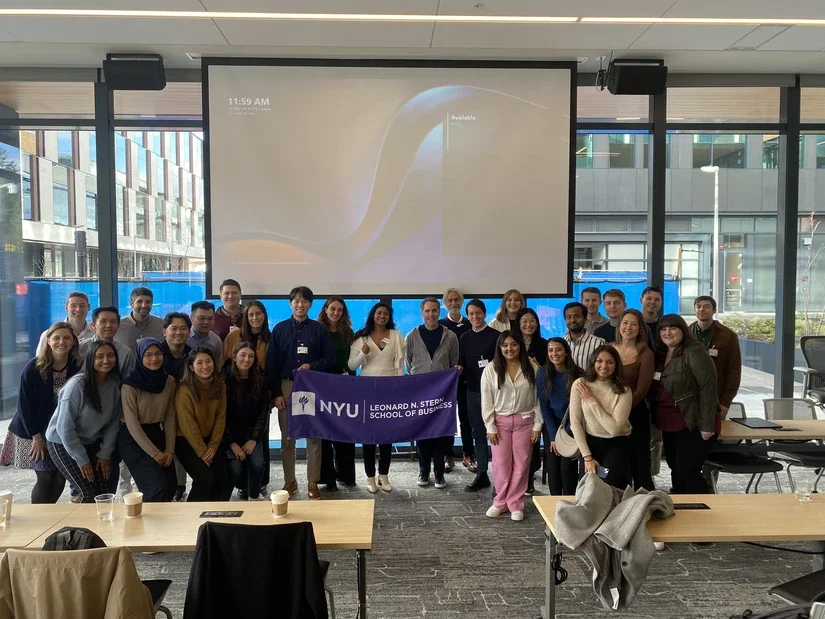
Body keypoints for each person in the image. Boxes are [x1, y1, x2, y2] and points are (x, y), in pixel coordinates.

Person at [266, 286, 335, 500]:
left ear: (310, 304)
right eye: (296, 301)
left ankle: (313, 481)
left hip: (312, 386)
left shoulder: (319, 329)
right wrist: (276, 393)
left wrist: (311, 366)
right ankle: (290, 481)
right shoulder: (279, 329)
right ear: (290, 304)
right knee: (289, 437)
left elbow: (330, 358)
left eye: (304, 301)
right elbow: (271, 364)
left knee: (314, 436)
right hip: (287, 386)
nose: (300, 304)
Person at [8, 322, 82, 503]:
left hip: (58, 431)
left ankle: (48, 516)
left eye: (66, 338)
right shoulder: (34, 367)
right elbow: (24, 406)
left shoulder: (76, 366)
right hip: (32, 431)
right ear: (48, 341)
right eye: (56, 338)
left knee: (59, 480)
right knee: (46, 477)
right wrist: (37, 437)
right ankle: (38, 517)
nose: (61, 342)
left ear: (73, 341)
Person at [45, 340, 122, 503]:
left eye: (110, 355)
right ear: (90, 360)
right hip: (62, 442)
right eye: (99, 357)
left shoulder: (114, 383)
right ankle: (79, 529)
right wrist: (82, 459)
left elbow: (113, 422)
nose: (106, 361)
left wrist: (105, 453)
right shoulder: (76, 385)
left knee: (105, 494)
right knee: (87, 493)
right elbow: (64, 428)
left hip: (91, 441)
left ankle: (101, 528)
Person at [651, 314, 720, 495]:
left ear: (683, 330)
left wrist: (707, 426)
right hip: (669, 421)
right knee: (675, 468)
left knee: (687, 469)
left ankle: (702, 511)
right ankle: (681, 507)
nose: (668, 333)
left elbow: (708, 388)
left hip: (692, 421)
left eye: (673, 328)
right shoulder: (663, 353)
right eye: (664, 329)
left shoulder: (694, 351)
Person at [481, 330, 542, 522]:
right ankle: (500, 502)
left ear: (520, 346)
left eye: (513, 344)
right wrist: (490, 426)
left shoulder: (532, 367)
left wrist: (537, 425)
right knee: (501, 465)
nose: (509, 349)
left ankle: (516, 503)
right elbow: (486, 400)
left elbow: (539, 398)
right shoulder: (491, 369)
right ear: (500, 347)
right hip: (500, 423)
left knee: (522, 465)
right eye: (505, 345)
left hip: (526, 422)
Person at [349, 302, 405, 493]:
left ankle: (384, 475)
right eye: (379, 313)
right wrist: (362, 355)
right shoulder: (361, 338)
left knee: (386, 436)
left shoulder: (396, 336)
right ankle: (370, 477)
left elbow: (399, 365)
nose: (382, 316)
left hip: (389, 390)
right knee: (368, 436)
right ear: (373, 314)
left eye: (386, 313)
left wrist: (399, 388)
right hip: (367, 389)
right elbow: (351, 366)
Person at [221, 299, 272, 498]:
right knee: (234, 467)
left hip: (257, 407)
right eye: (250, 314)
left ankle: (255, 489)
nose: (246, 360)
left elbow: (262, 414)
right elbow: (222, 416)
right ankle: (240, 487)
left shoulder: (270, 339)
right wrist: (232, 442)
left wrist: (253, 439)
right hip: (232, 428)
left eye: (258, 313)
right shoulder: (226, 380)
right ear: (235, 356)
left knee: (258, 459)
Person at [406, 297, 459, 489]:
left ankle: (439, 474)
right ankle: (423, 471)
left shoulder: (450, 336)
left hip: (442, 393)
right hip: (420, 393)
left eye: (434, 311)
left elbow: (453, 362)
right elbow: (408, 363)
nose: (431, 314)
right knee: (422, 433)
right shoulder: (412, 336)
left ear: (439, 311)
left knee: (440, 433)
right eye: (427, 311)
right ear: (422, 313)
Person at [118, 337, 177, 502]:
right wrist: (155, 453)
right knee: (156, 487)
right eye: (148, 355)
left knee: (171, 486)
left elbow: (170, 416)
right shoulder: (130, 384)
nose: (154, 359)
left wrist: (169, 450)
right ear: (140, 357)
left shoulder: (168, 381)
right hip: (132, 438)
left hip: (156, 433)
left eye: (158, 353)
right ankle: (147, 526)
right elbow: (132, 423)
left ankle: (165, 526)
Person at [568, 345, 633, 490]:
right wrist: (587, 457)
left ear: (616, 365)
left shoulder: (624, 390)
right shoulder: (580, 384)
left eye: (610, 362)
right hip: (590, 442)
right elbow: (575, 422)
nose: (604, 366)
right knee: (588, 487)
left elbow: (614, 429)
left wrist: (591, 401)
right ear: (593, 362)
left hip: (616, 444)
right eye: (599, 361)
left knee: (609, 485)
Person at [175, 347, 229, 501]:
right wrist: (202, 451)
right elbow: (187, 424)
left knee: (223, 478)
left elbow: (220, 418)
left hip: (209, 441)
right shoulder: (184, 389)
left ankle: (214, 516)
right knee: (204, 479)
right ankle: (191, 519)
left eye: (208, 361)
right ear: (191, 367)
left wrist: (212, 446)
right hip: (186, 441)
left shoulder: (219, 385)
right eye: (199, 363)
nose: (205, 366)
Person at [458, 299, 499, 492]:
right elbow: (462, 364)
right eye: (471, 313)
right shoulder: (464, 338)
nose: (475, 317)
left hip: (496, 394)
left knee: (498, 434)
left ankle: (501, 476)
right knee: (479, 434)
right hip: (473, 392)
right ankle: (482, 474)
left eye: (478, 313)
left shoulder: (496, 336)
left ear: (484, 313)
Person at [611, 309, 655, 490]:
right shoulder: (608, 348)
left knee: (639, 463)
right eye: (625, 323)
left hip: (635, 414)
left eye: (634, 324)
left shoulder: (646, 354)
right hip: (609, 416)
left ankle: (645, 504)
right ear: (619, 325)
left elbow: (643, 389)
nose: (628, 327)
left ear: (640, 328)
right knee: (616, 463)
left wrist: (623, 410)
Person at [317, 297, 356, 491]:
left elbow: (353, 361)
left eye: (340, 310)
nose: (336, 313)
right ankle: (328, 477)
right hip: (322, 387)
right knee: (324, 434)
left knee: (344, 431)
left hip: (343, 387)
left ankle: (346, 475)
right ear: (325, 310)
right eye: (332, 309)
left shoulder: (348, 332)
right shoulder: (316, 331)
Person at [536, 338, 582, 496]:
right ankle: (554, 505)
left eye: (558, 349)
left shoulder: (578, 374)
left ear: (566, 352)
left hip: (573, 425)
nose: (554, 353)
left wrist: (569, 431)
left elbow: (579, 408)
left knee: (567, 468)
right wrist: (554, 435)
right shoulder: (542, 373)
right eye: (550, 350)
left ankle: (570, 503)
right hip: (551, 427)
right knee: (553, 469)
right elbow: (544, 406)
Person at [439, 288, 473, 474]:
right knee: (447, 418)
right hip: (446, 381)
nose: (453, 303)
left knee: (466, 419)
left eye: (456, 300)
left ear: (461, 302)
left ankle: (469, 454)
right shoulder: (440, 325)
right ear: (444, 303)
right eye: (450, 300)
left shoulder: (470, 323)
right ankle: (447, 455)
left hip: (467, 379)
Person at [690, 296, 742, 418]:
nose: (702, 309)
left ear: (714, 310)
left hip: (715, 398)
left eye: (707, 306)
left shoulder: (728, 336)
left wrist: (725, 402)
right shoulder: (686, 333)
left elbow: (734, 372)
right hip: (689, 399)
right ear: (694, 310)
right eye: (698, 307)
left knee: (713, 434)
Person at [515, 307, 547, 494]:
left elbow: (550, 370)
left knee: (533, 441)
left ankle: (529, 477)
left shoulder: (543, 344)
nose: (528, 324)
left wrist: (537, 365)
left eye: (532, 320)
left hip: (536, 396)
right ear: (518, 324)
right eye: (524, 321)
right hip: (517, 399)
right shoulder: (513, 343)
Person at [81, 306, 136, 375]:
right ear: (93, 325)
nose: (108, 325)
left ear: (118, 325)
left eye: (113, 322)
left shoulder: (125, 352)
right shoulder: (81, 348)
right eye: (103, 321)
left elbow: (128, 380)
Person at [562, 302, 605, 370]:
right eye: (569, 317)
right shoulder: (561, 343)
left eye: (577, 316)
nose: (573, 320)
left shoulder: (599, 343)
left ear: (585, 319)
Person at [160, 312, 192, 381]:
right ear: (164, 332)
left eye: (183, 328)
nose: (178, 332)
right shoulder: (155, 354)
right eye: (174, 328)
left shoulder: (193, 355)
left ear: (189, 332)